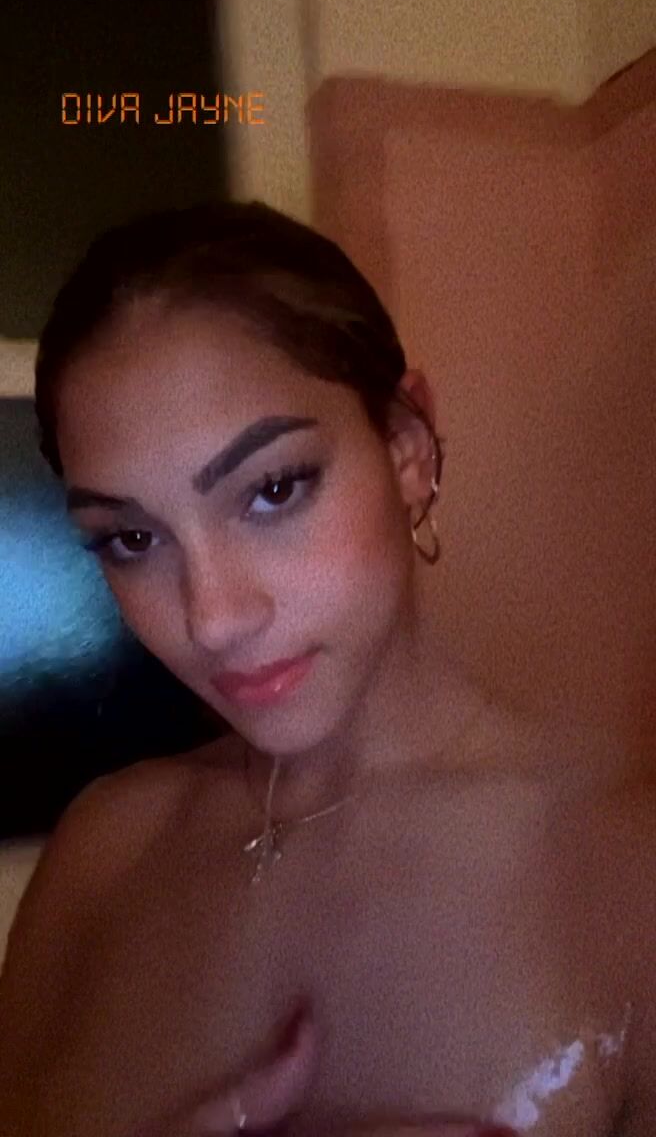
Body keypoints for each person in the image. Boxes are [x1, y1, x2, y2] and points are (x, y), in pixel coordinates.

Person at [0, 201, 653, 1137]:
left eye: (273, 489)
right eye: (131, 538)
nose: (214, 619)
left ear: (408, 450)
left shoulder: (625, 870)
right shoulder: (102, 850)